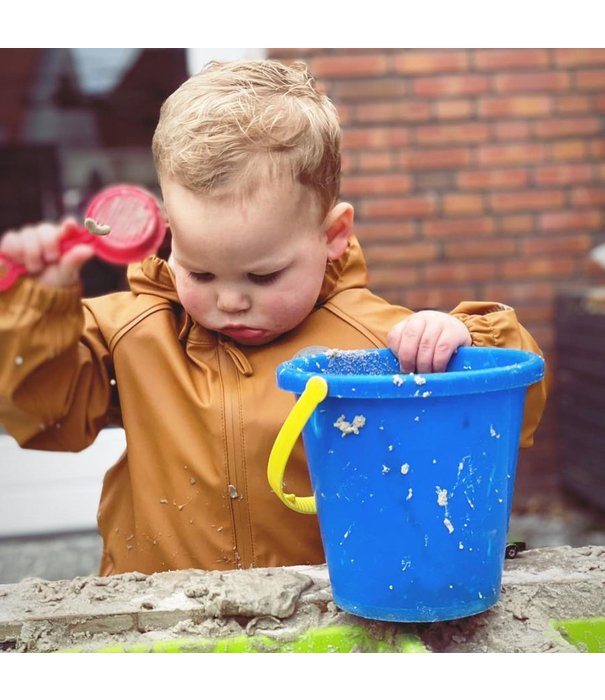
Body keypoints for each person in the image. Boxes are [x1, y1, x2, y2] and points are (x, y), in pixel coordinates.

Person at [0, 60, 547, 576]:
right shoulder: (134, 330)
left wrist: (459, 339)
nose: (231, 301)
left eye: (262, 277)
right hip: (164, 624)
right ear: (170, 231)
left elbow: (513, 410)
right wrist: (42, 308)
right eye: (202, 273)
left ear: (333, 236)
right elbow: (43, 416)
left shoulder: (371, 337)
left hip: (320, 621)